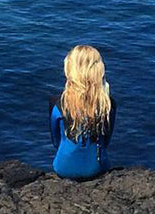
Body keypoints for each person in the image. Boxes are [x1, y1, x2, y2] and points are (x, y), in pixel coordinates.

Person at [49, 45, 116, 179]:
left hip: (62, 168)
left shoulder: (57, 103)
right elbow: (106, 141)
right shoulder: (108, 105)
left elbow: (56, 140)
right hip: (96, 168)